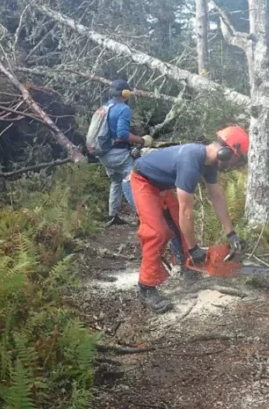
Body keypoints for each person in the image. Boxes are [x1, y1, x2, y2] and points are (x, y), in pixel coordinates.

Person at [129, 126, 249, 313]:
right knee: (157, 233)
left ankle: (187, 267)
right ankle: (146, 287)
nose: (233, 164)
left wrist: (231, 234)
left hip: (161, 185)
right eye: (235, 159)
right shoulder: (191, 161)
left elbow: (217, 197)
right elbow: (186, 211)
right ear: (226, 153)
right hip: (143, 181)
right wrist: (194, 249)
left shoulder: (209, 164)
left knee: (179, 228)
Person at [98, 79, 153, 227]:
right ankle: (144, 216)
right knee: (131, 180)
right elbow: (122, 133)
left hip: (104, 153)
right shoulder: (123, 108)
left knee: (116, 181)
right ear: (125, 93)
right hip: (117, 153)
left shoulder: (105, 107)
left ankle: (112, 215)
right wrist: (142, 141)